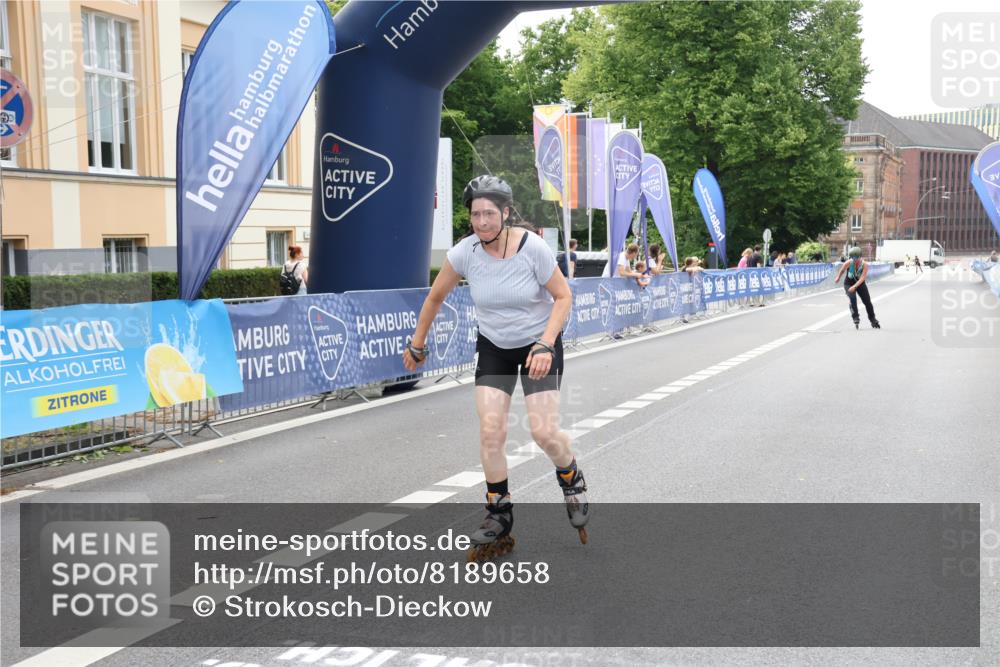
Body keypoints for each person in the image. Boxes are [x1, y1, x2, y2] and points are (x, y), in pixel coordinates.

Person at [402, 175, 589, 560]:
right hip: (494, 348)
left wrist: (545, 342)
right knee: (491, 429)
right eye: (475, 214)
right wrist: (417, 345)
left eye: (489, 213)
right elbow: (435, 297)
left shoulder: (531, 248)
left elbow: (563, 296)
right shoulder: (465, 252)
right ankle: (498, 512)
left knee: (543, 432)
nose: (482, 222)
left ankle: (570, 475)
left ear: (505, 214)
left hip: (538, 344)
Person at [834, 246, 880, 330]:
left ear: (860, 256)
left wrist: (854, 286)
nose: (854, 259)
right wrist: (838, 277)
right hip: (848, 283)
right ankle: (855, 317)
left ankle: (872, 319)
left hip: (860, 284)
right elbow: (842, 270)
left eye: (856, 257)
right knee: (852, 298)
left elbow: (862, 278)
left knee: (867, 302)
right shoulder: (849, 262)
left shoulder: (865, 265)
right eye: (852, 257)